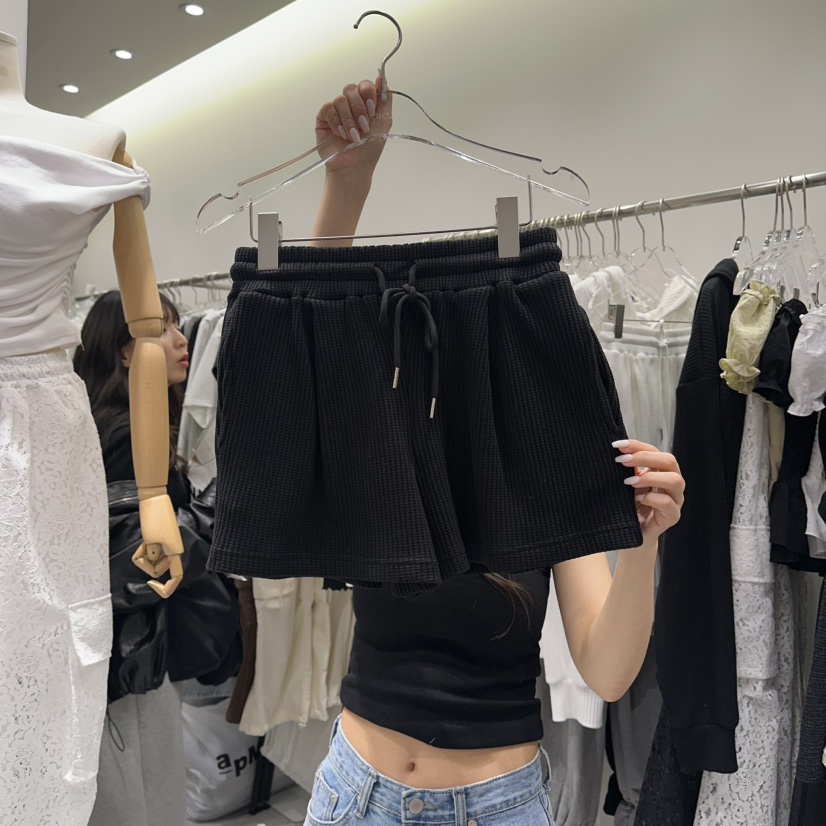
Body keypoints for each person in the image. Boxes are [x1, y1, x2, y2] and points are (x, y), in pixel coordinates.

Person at [294, 76, 687, 826]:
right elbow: (312, 350)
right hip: (355, 791)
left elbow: (606, 674)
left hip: (495, 805)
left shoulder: (541, 470)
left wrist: (643, 545)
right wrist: (347, 183)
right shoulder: (385, 448)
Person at [74, 291, 240, 826]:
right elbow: (133, 555)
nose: (180, 339)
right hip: (132, 649)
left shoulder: (106, 422)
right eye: (161, 330)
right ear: (125, 352)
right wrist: (217, 510)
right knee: (147, 795)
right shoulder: (126, 433)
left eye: (175, 326)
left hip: (124, 647)